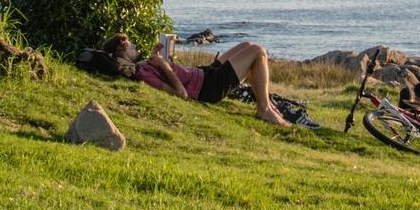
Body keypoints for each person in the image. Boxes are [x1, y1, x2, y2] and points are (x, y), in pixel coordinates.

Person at [103, 34, 289, 127]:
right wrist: (164, 66)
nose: (135, 46)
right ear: (123, 50)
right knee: (258, 51)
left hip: (204, 74)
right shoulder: (143, 74)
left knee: (248, 45)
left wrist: (157, 57)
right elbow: (181, 94)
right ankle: (264, 109)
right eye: (130, 46)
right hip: (207, 88)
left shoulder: (143, 65)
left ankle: (267, 106)